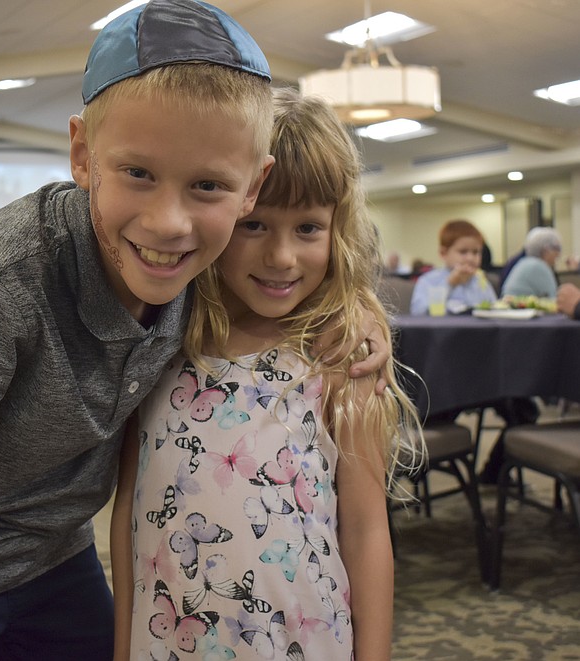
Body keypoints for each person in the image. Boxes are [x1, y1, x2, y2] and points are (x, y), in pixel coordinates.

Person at [0, 3, 389, 659]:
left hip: (50, 541)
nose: (169, 223)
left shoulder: (192, 268)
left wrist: (358, 311)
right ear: (83, 154)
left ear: (248, 189)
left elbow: (286, 274)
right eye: (138, 173)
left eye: (207, 185)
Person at [111, 90, 423, 661]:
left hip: (301, 638)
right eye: (254, 225)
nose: (282, 257)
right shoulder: (162, 341)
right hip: (170, 637)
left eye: (308, 228)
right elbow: (130, 506)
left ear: (338, 232)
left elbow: (365, 527)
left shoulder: (337, 356)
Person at [410, 220, 496, 316]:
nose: (470, 258)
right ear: (443, 253)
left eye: (476, 252)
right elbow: (418, 313)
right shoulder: (428, 280)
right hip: (442, 330)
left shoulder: (481, 281)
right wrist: (450, 284)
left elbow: (494, 309)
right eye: (463, 252)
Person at [501, 227, 561, 298]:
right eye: (556, 249)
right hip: (523, 307)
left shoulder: (524, 263)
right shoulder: (539, 267)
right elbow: (553, 298)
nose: (558, 254)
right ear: (546, 250)